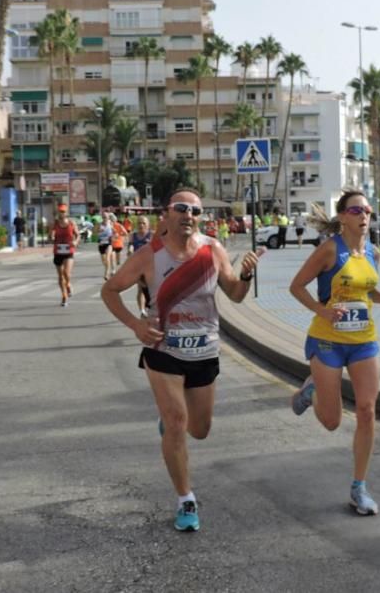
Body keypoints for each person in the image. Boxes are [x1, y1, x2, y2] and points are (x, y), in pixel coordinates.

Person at [101, 188, 261, 533]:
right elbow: (109, 290)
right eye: (181, 208)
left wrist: (245, 275)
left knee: (199, 430)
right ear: (167, 214)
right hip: (164, 349)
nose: (189, 215)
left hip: (204, 349)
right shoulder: (149, 255)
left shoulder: (213, 250)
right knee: (176, 421)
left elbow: (234, 293)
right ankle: (185, 499)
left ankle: (173, 427)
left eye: (195, 210)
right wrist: (135, 324)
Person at [288, 190, 380, 516]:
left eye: (368, 210)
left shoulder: (373, 251)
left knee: (367, 410)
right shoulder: (329, 250)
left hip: (363, 340)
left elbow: (367, 288)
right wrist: (322, 310)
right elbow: (296, 286)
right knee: (331, 421)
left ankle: (359, 487)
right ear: (343, 216)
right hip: (327, 341)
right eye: (356, 210)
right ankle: (311, 388)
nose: (364, 216)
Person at [51, 205, 78, 306]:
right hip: (58, 251)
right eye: (60, 212)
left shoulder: (71, 223)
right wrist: (52, 237)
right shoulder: (55, 223)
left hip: (69, 250)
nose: (62, 213)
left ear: (66, 213)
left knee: (66, 273)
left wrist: (75, 241)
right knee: (60, 275)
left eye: (63, 212)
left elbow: (77, 234)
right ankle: (64, 296)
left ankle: (68, 284)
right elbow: (52, 233)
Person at [129, 216, 153, 317]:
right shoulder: (133, 236)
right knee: (141, 288)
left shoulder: (152, 235)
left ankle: (151, 307)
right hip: (138, 266)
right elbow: (130, 246)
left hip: (151, 266)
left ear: (148, 225)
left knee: (152, 288)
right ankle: (142, 310)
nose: (141, 225)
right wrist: (130, 250)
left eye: (143, 223)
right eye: (139, 223)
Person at [97, 214, 114, 280]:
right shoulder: (99, 224)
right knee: (104, 261)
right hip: (101, 244)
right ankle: (108, 268)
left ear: (108, 218)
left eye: (106, 217)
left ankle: (106, 273)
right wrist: (98, 231)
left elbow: (114, 231)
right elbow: (94, 232)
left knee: (107, 258)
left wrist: (115, 235)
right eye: (103, 217)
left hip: (108, 243)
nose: (105, 218)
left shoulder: (110, 223)